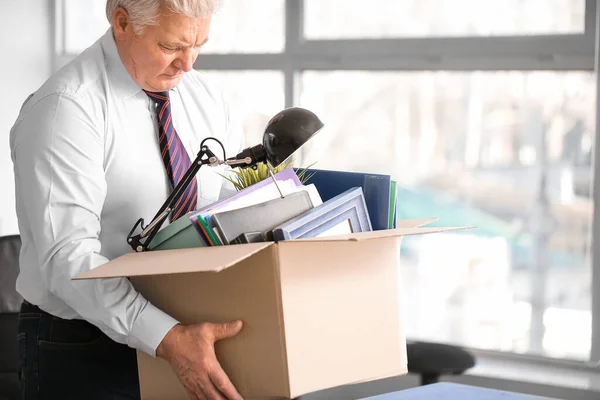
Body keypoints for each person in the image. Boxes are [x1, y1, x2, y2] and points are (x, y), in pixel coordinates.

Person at [10, 0, 246, 399]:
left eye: (199, 45)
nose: (188, 65)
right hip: (82, 345)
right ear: (122, 22)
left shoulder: (206, 96)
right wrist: (167, 337)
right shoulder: (66, 108)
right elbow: (68, 259)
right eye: (172, 46)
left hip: (184, 331)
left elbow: (226, 208)